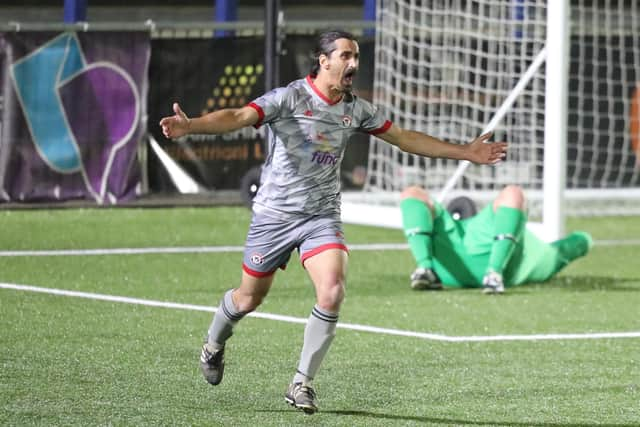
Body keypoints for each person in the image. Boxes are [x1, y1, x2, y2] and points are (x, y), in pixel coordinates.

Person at [159, 29, 507, 414]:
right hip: (274, 216)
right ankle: (213, 344)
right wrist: (191, 126)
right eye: (345, 56)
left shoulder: (356, 109)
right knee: (248, 298)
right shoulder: (288, 97)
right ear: (323, 61)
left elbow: (405, 138)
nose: (353, 63)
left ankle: (301, 383)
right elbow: (240, 116)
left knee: (333, 289)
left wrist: (466, 152)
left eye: (355, 56)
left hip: (321, 216)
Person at [400, 184, 592, 293]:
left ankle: (424, 268)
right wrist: (583, 240)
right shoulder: (536, 255)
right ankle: (494, 274)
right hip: (509, 266)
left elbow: (413, 197)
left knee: (411, 192)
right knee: (513, 192)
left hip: (447, 271)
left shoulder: (447, 236)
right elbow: (578, 243)